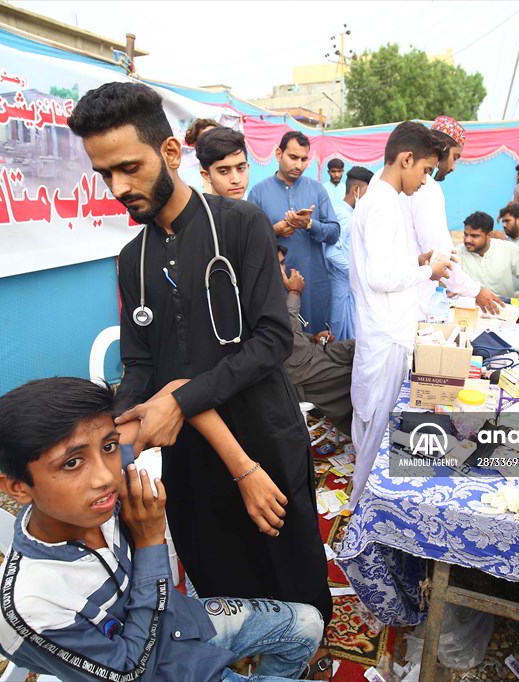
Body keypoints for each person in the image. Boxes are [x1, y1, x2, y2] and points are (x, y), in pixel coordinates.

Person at [66, 82, 332, 631]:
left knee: (290, 566)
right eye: (104, 175)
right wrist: (116, 431)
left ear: (168, 154)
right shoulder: (131, 259)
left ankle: (305, 653)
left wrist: (180, 399)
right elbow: (140, 365)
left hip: (263, 434)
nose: (117, 187)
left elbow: (271, 340)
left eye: (128, 168)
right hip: (187, 454)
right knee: (218, 572)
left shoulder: (238, 224)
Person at [0, 377, 325, 682]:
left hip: (180, 624)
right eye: (72, 463)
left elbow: (179, 390)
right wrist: (149, 543)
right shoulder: (31, 604)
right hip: (153, 671)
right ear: (17, 488)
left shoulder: (96, 488)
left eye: (108, 446)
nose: (105, 476)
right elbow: (131, 671)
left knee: (309, 623)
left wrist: (246, 472)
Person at [349, 121, 450, 505]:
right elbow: (380, 277)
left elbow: (386, 263)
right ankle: (363, 509)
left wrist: (416, 259)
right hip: (387, 332)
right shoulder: (383, 202)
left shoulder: (383, 198)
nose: (426, 181)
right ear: (406, 159)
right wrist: (429, 270)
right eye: (425, 169)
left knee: (372, 420)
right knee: (376, 427)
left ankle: (362, 499)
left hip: (385, 327)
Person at [403, 116, 503, 317]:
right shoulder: (426, 188)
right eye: (455, 157)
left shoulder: (394, 183)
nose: (454, 167)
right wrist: (475, 291)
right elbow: (439, 255)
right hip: (410, 304)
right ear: (444, 148)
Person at [249, 131, 341, 333]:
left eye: (304, 159)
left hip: (313, 283)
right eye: (293, 157)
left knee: (315, 342)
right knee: (279, 340)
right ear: (278, 153)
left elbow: (334, 232)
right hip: (274, 284)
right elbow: (248, 242)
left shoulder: (317, 190)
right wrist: (274, 230)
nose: (299, 165)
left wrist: (309, 225)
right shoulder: (258, 192)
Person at [279, 246, 355, 435]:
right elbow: (282, 339)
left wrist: (313, 337)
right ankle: (370, 433)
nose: (282, 270)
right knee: (362, 374)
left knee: (361, 348)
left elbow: (293, 333)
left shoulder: (277, 289)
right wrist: (295, 293)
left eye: (282, 263)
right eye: (276, 264)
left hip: (312, 353)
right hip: (299, 371)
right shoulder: (259, 294)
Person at [324, 166, 374, 341]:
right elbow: (331, 253)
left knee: (351, 332)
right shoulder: (342, 215)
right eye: (368, 193)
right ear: (356, 190)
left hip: (348, 284)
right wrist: (354, 271)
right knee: (337, 335)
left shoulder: (352, 214)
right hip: (340, 282)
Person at [455, 211, 519, 300]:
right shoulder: (457, 253)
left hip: (505, 308)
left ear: (489, 235)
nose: (467, 240)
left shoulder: (508, 249)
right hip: (469, 307)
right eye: (466, 235)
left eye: (474, 236)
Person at [195, 126, 249, 200]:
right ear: (207, 175)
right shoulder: (200, 210)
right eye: (223, 171)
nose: (236, 180)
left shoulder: (256, 210)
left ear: (248, 167)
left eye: (241, 169)